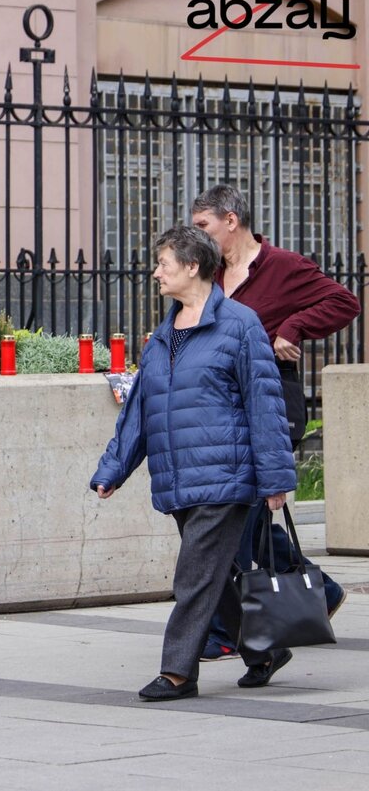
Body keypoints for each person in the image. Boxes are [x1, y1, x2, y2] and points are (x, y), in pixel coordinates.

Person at [90, 224, 297, 701]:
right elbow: (141, 411)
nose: (156, 273)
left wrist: (275, 479)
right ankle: (264, 649)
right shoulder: (163, 336)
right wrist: (113, 470)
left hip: (226, 474)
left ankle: (178, 672)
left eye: (164, 263)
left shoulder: (241, 324)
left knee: (194, 574)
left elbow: (264, 405)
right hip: (179, 476)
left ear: (192, 266)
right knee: (214, 574)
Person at [192, 184, 361, 660]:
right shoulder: (210, 273)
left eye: (203, 226)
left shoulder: (284, 267)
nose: (197, 235)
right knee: (238, 514)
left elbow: (344, 302)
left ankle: (227, 629)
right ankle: (317, 590)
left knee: (240, 515)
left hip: (271, 398)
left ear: (231, 220)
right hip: (224, 405)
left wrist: (293, 328)